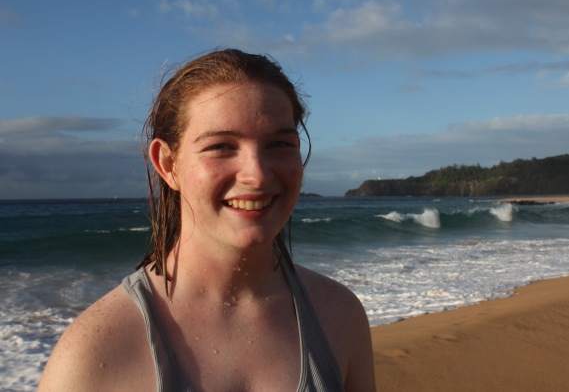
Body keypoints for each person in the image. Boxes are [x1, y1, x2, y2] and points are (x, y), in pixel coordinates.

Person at [38, 48, 376, 391]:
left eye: (279, 143)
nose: (257, 175)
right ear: (167, 164)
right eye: (221, 147)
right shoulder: (95, 355)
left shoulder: (338, 316)